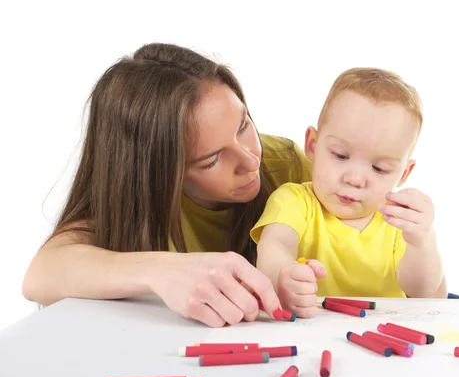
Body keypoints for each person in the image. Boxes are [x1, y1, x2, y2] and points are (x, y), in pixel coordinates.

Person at [21, 43, 312, 327]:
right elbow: (39, 276)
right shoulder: (136, 203)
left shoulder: (283, 163)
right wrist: (163, 271)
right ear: (158, 172)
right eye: (211, 161)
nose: (250, 160)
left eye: (243, 126)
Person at [251, 68, 447, 318]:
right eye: (340, 155)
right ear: (312, 145)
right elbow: (275, 245)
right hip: (312, 333)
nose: (354, 179)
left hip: (385, 337)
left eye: (379, 168)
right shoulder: (294, 201)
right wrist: (283, 274)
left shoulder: (399, 221)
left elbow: (422, 292)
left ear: (404, 174)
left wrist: (422, 241)